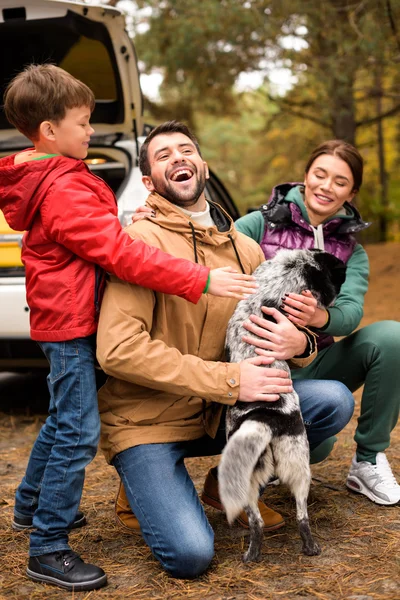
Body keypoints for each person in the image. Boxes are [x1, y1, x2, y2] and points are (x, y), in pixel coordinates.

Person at [0, 65, 258, 592]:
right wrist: (199, 279)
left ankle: (28, 506)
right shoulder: (63, 185)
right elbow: (115, 253)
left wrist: (116, 220)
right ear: (49, 131)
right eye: (83, 122)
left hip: (66, 317)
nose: (91, 130)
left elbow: (94, 237)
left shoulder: (56, 178)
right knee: (77, 432)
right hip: (72, 325)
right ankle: (47, 545)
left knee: (60, 418)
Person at [96, 121, 355, 579]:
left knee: (332, 400)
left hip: (220, 413)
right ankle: (139, 480)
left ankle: (225, 482)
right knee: (192, 555)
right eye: (163, 155)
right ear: (150, 181)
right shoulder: (140, 244)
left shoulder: (247, 249)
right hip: (149, 420)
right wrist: (232, 381)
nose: (178, 157)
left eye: (186, 149)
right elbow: (118, 350)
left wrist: (300, 344)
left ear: (203, 165)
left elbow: (276, 329)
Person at [234, 139, 400, 506]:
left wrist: (318, 317)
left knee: (393, 337)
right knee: (316, 443)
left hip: (313, 364)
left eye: (340, 182)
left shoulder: (353, 252)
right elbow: (212, 252)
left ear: (351, 192)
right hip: (258, 366)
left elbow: (351, 314)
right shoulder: (259, 224)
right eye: (320, 175)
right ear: (305, 176)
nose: (326, 187)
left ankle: (368, 461)